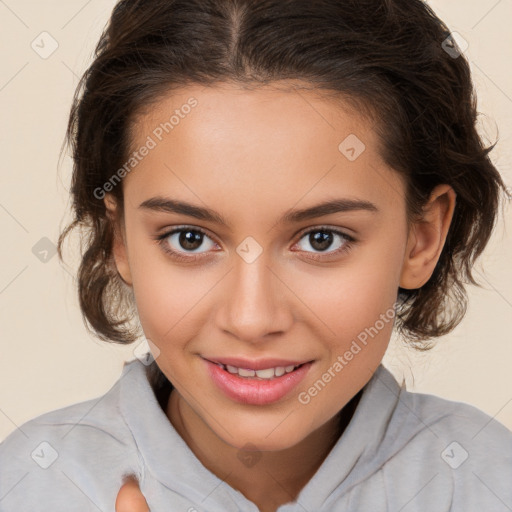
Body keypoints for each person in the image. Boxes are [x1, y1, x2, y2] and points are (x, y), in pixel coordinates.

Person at [1, 0, 511, 511]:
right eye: (189, 239)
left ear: (420, 237)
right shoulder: (27, 486)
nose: (251, 319)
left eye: (321, 239)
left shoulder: (488, 480)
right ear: (121, 239)